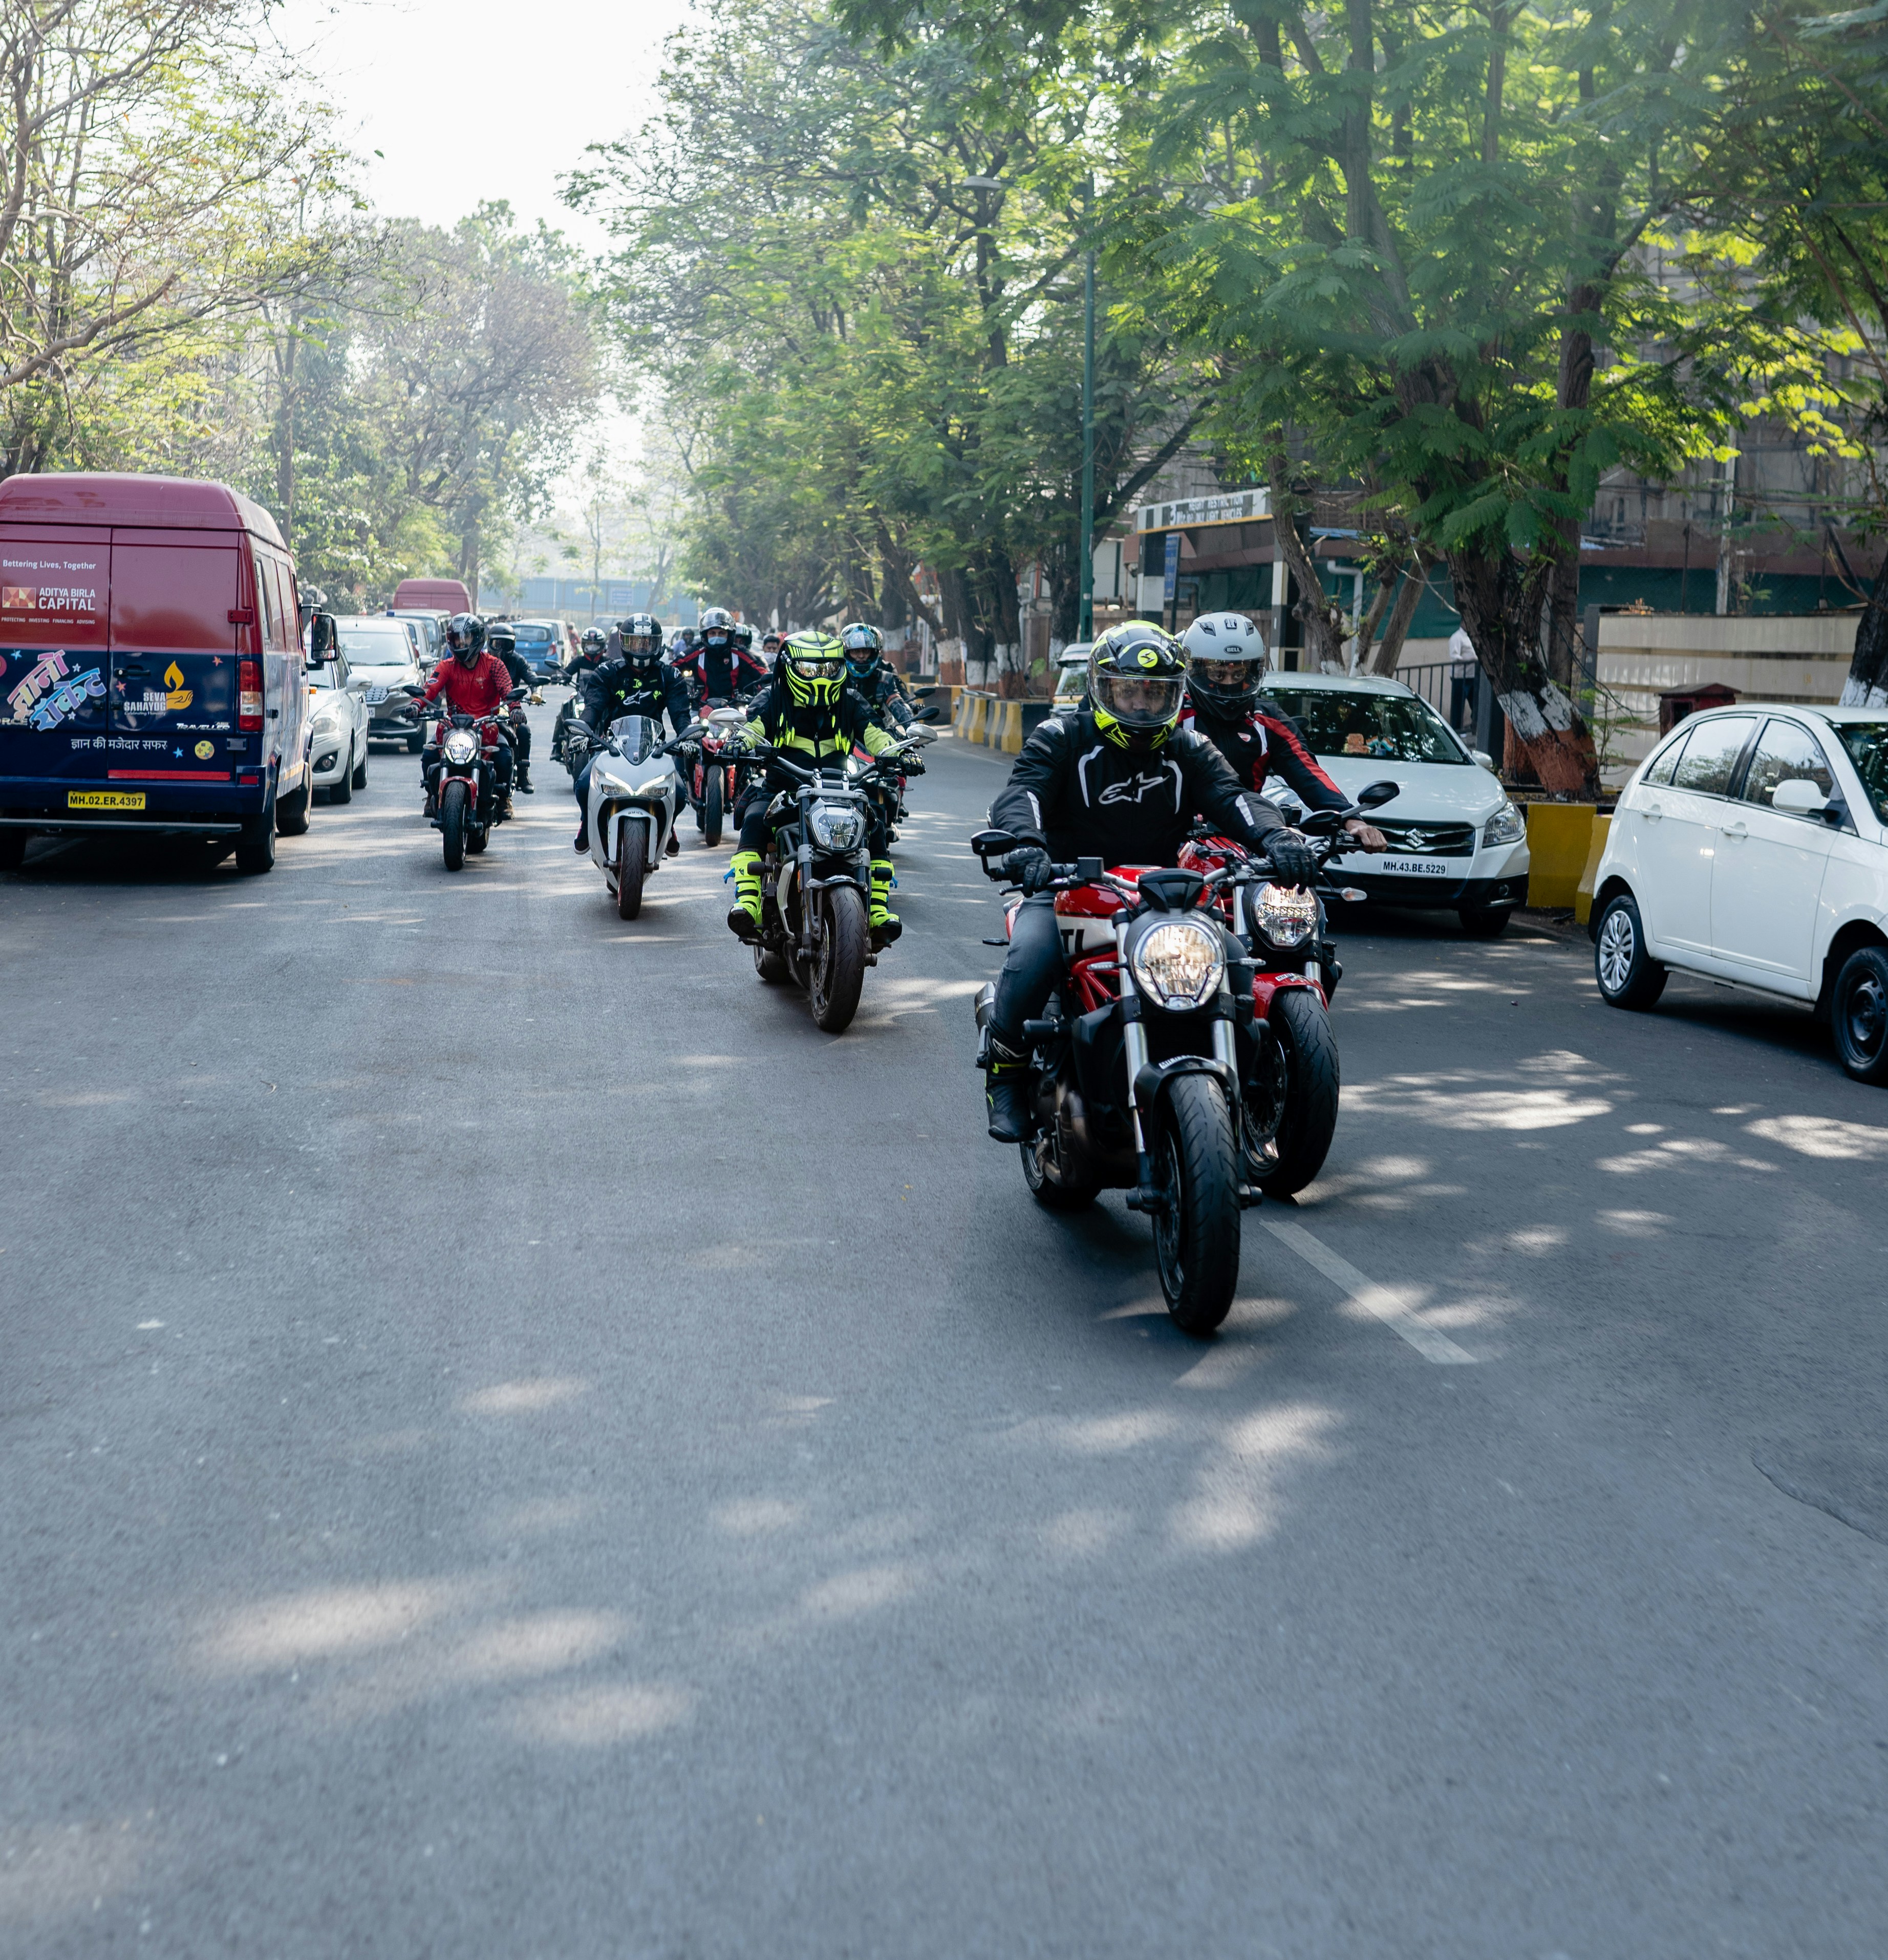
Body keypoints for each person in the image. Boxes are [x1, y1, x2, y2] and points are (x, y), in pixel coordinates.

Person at [978, 620, 1318, 1143]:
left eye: (1155, 693)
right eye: (1129, 691)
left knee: (1234, 964)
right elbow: (1023, 793)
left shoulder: (1190, 747)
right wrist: (1026, 845)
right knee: (1033, 957)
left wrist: (1278, 838)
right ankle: (1004, 1076)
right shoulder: (1062, 736)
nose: (1141, 704)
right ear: (1102, 688)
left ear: (1174, 694)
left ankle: (1238, 1088)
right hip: (1068, 888)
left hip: (1161, 895)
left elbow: (1234, 798)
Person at [724, 629, 903, 944]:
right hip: (784, 786)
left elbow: (876, 734)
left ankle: (877, 910)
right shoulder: (774, 697)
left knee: (874, 822)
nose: (820, 676)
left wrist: (899, 753)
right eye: (810, 669)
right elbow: (752, 728)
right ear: (791, 667)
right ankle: (748, 903)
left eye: (828, 668)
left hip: (840, 788)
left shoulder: (850, 699)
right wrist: (739, 741)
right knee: (754, 819)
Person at [1178, 612, 1386, 851]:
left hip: (1249, 840)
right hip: (1176, 838)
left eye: (1239, 674)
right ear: (1196, 671)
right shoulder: (1175, 717)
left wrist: (1351, 820)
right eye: (1218, 674)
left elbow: (1307, 773)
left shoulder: (1268, 719)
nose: (1229, 684)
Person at [571, 614, 691, 853]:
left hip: (655, 750)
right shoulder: (607, 672)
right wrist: (583, 731)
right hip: (611, 747)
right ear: (623, 642)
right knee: (584, 785)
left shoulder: (670, 676)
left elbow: (681, 715)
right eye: (635, 642)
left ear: (658, 644)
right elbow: (593, 707)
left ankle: (669, 827)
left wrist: (687, 737)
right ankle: (586, 823)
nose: (641, 649)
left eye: (647, 643)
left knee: (679, 793)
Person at [420, 613, 518, 816]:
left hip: (486, 725)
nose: (461, 643)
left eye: (466, 638)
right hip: (453, 727)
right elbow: (430, 688)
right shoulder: (447, 666)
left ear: (478, 637)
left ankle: (503, 798)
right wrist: (416, 704)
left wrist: (515, 707)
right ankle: (432, 795)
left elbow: (507, 690)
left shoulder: (494, 665)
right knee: (429, 755)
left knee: (505, 758)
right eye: (457, 639)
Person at [676, 606, 769, 705]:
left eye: (721, 633)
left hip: (734, 708)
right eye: (712, 633)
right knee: (684, 715)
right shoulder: (696, 652)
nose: (717, 637)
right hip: (700, 707)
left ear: (729, 635)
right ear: (705, 635)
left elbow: (762, 672)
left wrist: (769, 682)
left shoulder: (739, 653)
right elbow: (673, 668)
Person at [484, 624, 538, 792]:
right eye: (497, 644)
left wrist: (537, 693)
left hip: (509, 707)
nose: (500, 649)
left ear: (512, 645)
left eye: (505, 644)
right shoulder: (481, 660)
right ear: (489, 643)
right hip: (484, 707)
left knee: (523, 730)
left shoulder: (518, 661)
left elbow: (532, 678)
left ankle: (522, 774)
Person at [838, 621, 918, 731]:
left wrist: (913, 726)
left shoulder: (885, 677)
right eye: (856, 651)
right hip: (845, 731)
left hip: (881, 730)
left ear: (875, 652)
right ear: (846, 652)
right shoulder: (837, 677)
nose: (861, 656)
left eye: (866, 651)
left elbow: (897, 700)